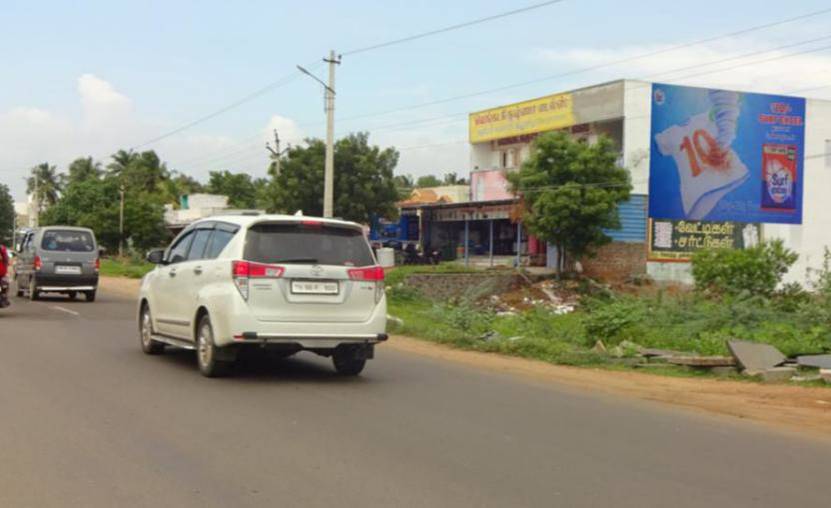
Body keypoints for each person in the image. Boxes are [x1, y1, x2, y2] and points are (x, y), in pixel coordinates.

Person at [0, 243, 9, 308]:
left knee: (4, 284)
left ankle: (3, 297)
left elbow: (6, 259)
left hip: (1, 272)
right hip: (2, 272)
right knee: (5, 284)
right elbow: (6, 260)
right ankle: (4, 297)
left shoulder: (2, 248)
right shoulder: (2, 248)